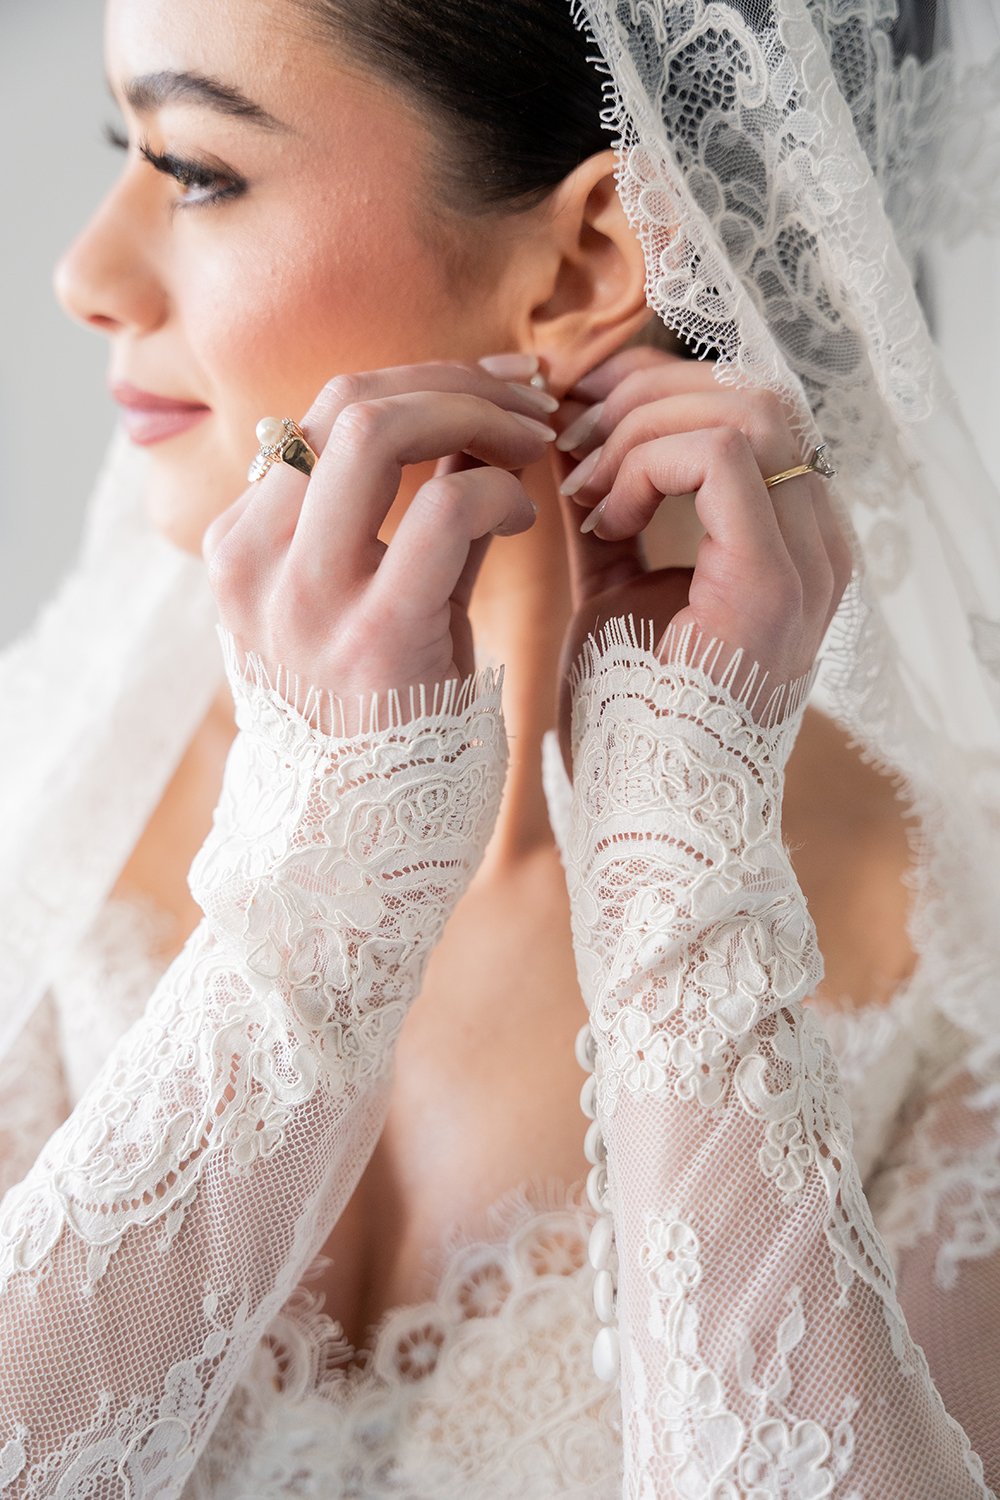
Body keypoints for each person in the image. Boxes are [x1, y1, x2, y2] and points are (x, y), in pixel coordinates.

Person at [0, 0, 998, 1495]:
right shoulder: (52, 769)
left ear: (596, 254)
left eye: (196, 168)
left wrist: (678, 868)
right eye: (116, 146)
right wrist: (314, 884)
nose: (84, 274)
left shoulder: (957, 965)